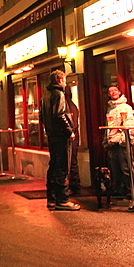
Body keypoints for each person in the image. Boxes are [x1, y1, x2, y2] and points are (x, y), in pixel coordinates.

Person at [41, 70, 79, 211]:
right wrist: (70, 131)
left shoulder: (46, 95)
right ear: (59, 80)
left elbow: (42, 116)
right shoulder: (58, 94)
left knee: (54, 166)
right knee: (63, 167)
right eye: (64, 80)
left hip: (52, 135)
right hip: (61, 135)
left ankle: (52, 199)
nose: (65, 83)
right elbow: (59, 114)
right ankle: (62, 200)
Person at [104, 85, 134, 198]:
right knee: (115, 168)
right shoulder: (110, 109)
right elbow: (108, 126)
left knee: (126, 167)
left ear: (119, 92)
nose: (113, 93)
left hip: (122, 142)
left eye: (115, 90)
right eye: (110, 91)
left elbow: (130, 124)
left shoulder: (126, 107)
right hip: (112, 141)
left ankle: (130, 191)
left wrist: (124, 138)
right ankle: (118, 189)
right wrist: (106, 141)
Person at [64, 83, 81, 196]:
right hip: (73, 135)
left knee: (69, 162)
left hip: (69, 136)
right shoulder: (72, 105)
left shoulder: (67, 106)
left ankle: (73, 185)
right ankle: (74, 185)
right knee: (72, 161)